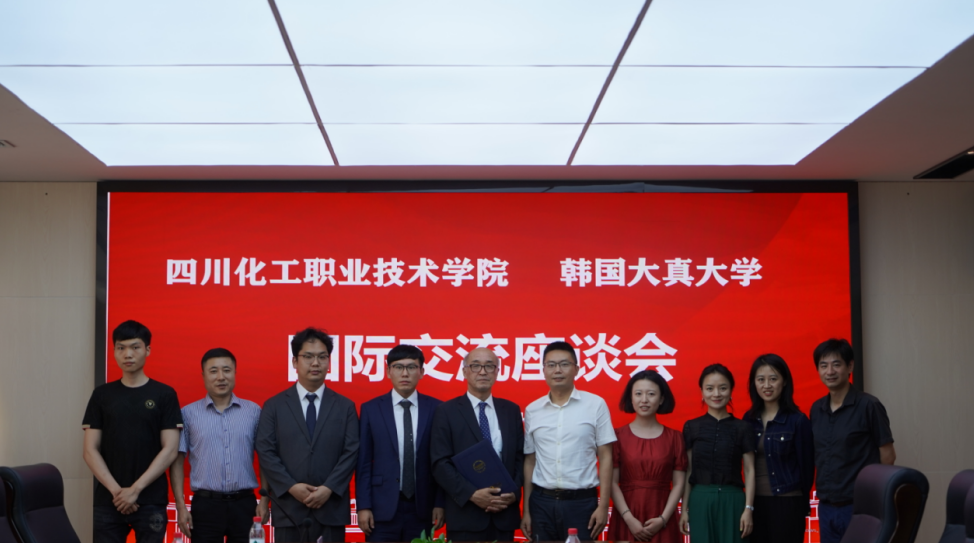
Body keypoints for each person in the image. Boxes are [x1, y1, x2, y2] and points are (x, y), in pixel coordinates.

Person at [82, 320, 183, 543]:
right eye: (121, 347)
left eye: (135, 347)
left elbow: (170, 449)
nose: (128, 354)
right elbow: (90, 450)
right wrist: (118, 492)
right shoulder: (101, 395)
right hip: (109, 500)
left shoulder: (165, 394)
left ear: (148, 350)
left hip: (151, 500)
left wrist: (135, 490)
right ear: (114, 351)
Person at [256, 327, 359, 542]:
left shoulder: (345, 406)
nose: (315, 363)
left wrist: (329, 488)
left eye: (322, 357)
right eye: (308, 357)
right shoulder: (274, 406)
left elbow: (351, 452)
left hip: (331, 508)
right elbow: (266, 451)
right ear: (295, 361)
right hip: (289, 509)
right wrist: (291, 487)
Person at [169, 348, 269, 543]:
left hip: (245, 505)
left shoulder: (253, 412)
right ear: (203, 376)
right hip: (205, 506)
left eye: (227, 370)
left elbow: (266, 458)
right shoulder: (188, 414)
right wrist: (180, 506)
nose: (221, 377)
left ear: (235, 373)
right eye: (213, 371)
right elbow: (177, 462)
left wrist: (265, 500)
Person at [521, 341, 616, 542]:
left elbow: (606, 456)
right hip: (541, 503)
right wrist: (527, 511)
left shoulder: (595, 404)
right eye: (551, 365)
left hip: (581, 503)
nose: (557, 370)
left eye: (564, 364)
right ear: (543, 370)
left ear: (576, 369)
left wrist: (603, 505)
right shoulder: (532, 410)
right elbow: (530, 461)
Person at [430, 348, 524, 542]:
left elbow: (520, 457)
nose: (482, 371)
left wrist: (514, 493)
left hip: (504, 513)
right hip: (466, 516)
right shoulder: (446, 411)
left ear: (497, 372)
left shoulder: (511, 410)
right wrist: (471, 494)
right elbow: (440, 463)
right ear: (464, 371)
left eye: (489, 366)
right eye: (475, 366)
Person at [357, 344, 445, 541]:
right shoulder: (371, 409)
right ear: (388, 371)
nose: (405, 373)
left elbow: (441, 461)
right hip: (381, 508)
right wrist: (364, 506)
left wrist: (440, 503)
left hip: (423, 507)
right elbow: (363, 462)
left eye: (411, 367)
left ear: (421, 372)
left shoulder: (437, 408)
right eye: (398, 367)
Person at [810, 339, 895, 543]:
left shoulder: (869, 405)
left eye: (836, 364)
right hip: (826, 507)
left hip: (860, 507)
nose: (830, 371)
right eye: (823, 365)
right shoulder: (816, 409)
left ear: (850, 366)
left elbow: (888, 457)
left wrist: (874, 500)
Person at [680, 364, 755, 543]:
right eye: (710, 388)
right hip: (700, 499)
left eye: (722, 388)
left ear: (731, 391)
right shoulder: (692, 427)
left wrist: (748, 508)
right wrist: (684, 510)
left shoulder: (743, 427)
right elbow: (688, 471)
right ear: (702, 392)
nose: (716, 394)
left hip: (733, 500)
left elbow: (750, 470)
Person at [742, 354, 814, 543]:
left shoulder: (798, 421)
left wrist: (803, 502)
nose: (767, 385)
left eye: (773, 379)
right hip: (754, 504)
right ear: (754, 384)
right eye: (761, 379)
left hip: (787, 502)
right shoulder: (748, 420)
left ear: (785, 382)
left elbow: (807, 468)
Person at [608, 370, 686, 543]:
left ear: (661, 399)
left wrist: (663, 519)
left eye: (651, 394)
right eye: (638, 394)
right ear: (631, 398)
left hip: (663, 514)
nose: (644, 400)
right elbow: (611, 482)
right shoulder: (617, 436)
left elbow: (679, 484)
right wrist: (629, 518)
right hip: (627, 515)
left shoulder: (675, 437)